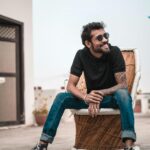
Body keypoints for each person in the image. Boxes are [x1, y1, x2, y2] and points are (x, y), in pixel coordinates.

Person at [33, 22, 137, 150]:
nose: (105, 40)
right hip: (90, 99)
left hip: (111, 99)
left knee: (123, 94)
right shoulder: (81, 55)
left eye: (106, 35)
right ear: (88, 43)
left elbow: (122, 85)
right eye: (99, 38)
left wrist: (99, 93)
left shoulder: (114, 51)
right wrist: (86, 97)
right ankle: (43, 144)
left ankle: (128, 145)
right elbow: (70, 86)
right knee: (61, 97)